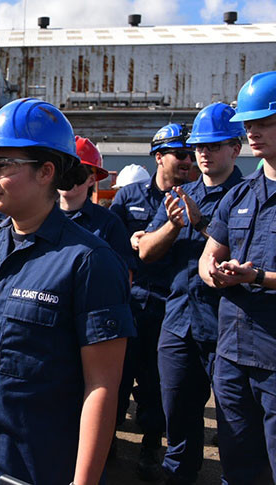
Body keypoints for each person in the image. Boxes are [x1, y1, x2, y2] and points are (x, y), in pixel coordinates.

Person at [0, 98, 134, 485]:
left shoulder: (88, 261)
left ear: (46, 172)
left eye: (3, 166)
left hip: (43, 465)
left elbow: (101, 384)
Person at [137, 102, 244, 484]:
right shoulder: (180, 194)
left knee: (235, 424)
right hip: (178, 322)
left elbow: (241, 260)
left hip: (228, 328)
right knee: (177, 417)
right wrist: (172, 224)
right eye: (198, 145)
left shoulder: (248, 197)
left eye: (212, 145)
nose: (202, 152)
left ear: (235, 147)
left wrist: (199, 224)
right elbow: (147, 253)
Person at [199, 71, 276, 484]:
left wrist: (259, 277)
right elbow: (208, 256)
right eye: (249, 124)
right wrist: (215, 274)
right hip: (232, 354)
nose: (253, 132)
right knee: (237, 465)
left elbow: (260, 274)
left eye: (263, 121)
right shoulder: (241, 195)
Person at [109, 123, 193, 475]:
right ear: (159, 157)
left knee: (157, 383)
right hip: (131, 302)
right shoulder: (129, 198)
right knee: (118, 376)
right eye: (181, 155)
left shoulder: (193, 199)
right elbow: (108, 242)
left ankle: (150, 444)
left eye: (191, 154)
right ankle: (107, 441)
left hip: (170, 305)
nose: (188, 161)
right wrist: (132, 245)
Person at [59, 135, 136, 281]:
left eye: (77, 173)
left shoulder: (109, 224)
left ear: (91, 179)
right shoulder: (38, 217)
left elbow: (124, 277)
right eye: (64, 169)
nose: (68, 178)